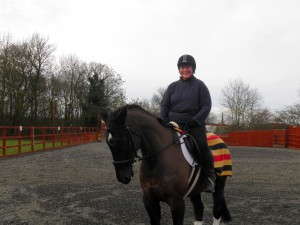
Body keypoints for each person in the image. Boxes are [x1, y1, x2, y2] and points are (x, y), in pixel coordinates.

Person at [160, 54, 216, 193]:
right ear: (179, 69)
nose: (185, 69)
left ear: (193, 69)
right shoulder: (172, 87)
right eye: (182, 67)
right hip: (173, 123)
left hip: (193, 124)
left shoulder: (200, 85)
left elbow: (206, 106)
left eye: (188, 67)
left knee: (202, 146)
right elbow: (164, 106)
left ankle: (209, 177)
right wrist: (164, 121)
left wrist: (195, 121)